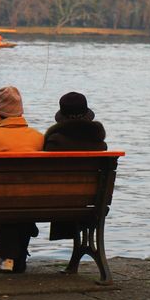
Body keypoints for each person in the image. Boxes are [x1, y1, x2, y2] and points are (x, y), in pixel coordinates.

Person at [0, 85, 44, 273]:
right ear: (21, 112)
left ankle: (7, 257)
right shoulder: (39, 138)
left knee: (5, 195)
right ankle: (15, 256)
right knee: (21, 195)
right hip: (36, 202)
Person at [43, 91, 107, 240]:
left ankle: (12, 257)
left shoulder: (54, 143)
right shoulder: (99, 144)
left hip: (53, 202)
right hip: (92, 204)